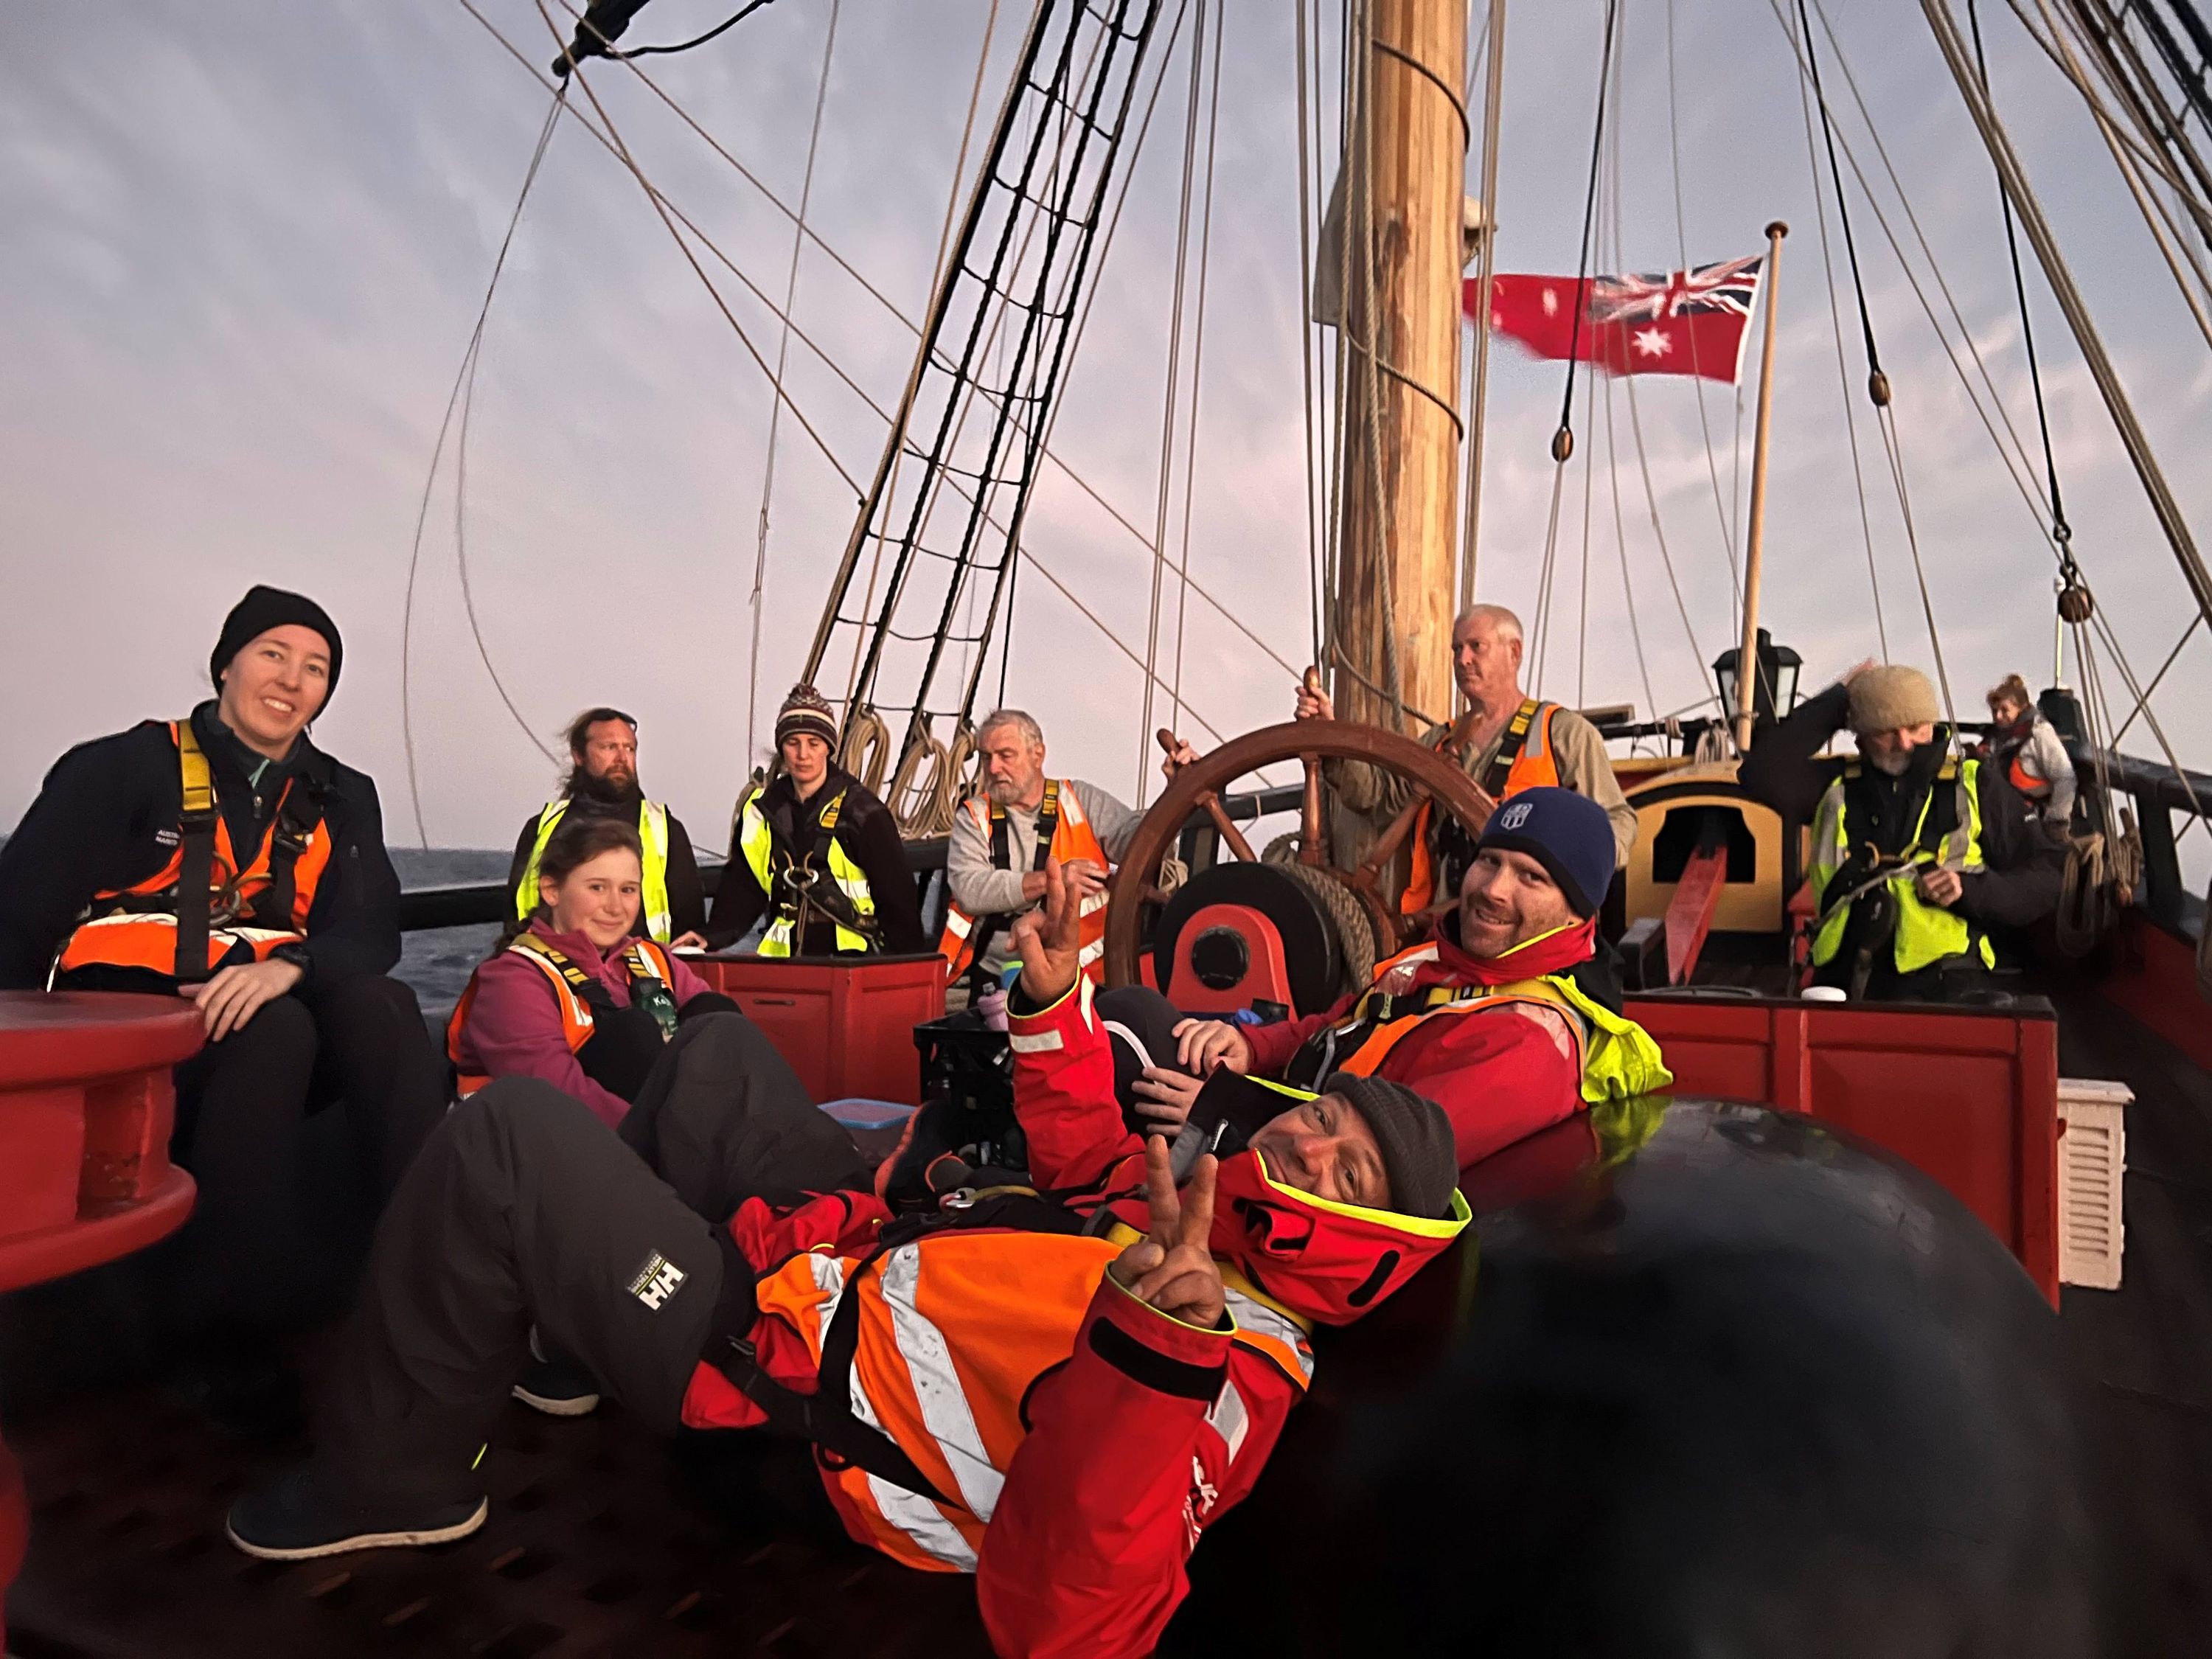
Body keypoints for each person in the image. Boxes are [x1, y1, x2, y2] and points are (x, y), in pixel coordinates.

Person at [224, 862, 1468, 1659]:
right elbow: (1088, 1165)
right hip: (848, 1255)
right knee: (716, 1050)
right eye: (1325, 1120)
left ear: (1371, 1250)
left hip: (787, 1399)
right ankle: (576, 1327)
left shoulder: (1224, 1363)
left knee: (507, 1134)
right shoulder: (1206, 1214)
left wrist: (1154, 1352)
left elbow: (1071, 1620)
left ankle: (393, 1481)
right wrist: (1052, 1008)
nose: (1311, 1147)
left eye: (1350, 1172)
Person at [0, 585, 447, 1405]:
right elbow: (16, 917)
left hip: (269, 1007)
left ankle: (438, 1279)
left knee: (383, 1011)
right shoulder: (122, 766)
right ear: (225, 666)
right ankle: (222, 1330)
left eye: (316, 668)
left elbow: (369, 929)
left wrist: (292, 968)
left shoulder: (341, 794)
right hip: (133, 1036)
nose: (292, 680)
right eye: (273, 654)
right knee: (277, 1036)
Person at [1103, 787, 1671, 1170]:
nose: (1494, 890)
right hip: (1283, 1119)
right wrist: (1252, 1047)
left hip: (1289, 1181)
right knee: (1139, 1015)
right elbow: (1340, 1025)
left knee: (1124, 1035)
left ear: (1576, 913)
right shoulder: (1436, 963)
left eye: (1531, 877)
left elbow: (1371, 1166)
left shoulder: (1526, 1042)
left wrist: (1221, 1116)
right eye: (1489, 861)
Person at [1739, 661, 2061, 1002]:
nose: (1904, 743)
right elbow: (1760, 773)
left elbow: (2047, 875)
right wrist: (1841, 698)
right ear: (1861, 736)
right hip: (1844, 981)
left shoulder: (1975, 784)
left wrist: (1969, 890)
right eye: (1886, 731)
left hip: (1949, 983)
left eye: (1916, 728)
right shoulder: (1834, 785)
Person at [1293, 605, 1638, 917]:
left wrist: (1562, 868)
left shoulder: (1563, 734)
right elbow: (1380, 796)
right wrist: (1330, 738)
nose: (1463, 659)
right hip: (1447, 929)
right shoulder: (1439, 742)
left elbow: (1618, 822)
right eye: (1457, 649)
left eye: (1476, 646)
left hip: (1529, 929)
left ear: (1514, 653)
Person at [452, 814, 746, 1127]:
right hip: (538, 1142)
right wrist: (679, 1136)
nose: (615, 907)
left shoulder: (651, 958)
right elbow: (554, 1096)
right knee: (633, 1033)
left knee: (718, 1016)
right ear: (551, 890)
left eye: (628, 890)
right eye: (597, 888)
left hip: (657, 1132)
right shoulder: (511, 982)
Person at [706, 684, 925, 957]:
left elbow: (898, 899)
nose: (803, 754)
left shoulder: (864, 813)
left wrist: (907, 965)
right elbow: (743, 886)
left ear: (828, 748)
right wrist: (710, 937)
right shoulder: (762, 811)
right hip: (784, 960)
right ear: (781, 747)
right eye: (793, 743)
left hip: (850, 959)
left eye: (813, 743)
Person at [939, 708, 1143, 992]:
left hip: (1089, 980)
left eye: (1005, 756)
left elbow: (1144, 846)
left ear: (1038, 755)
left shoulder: (1080, 801)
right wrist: (1053, 880)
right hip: (1001, 982)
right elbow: (969, 890)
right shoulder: (974, 816)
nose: (993, 768)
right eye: (986, 757)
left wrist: (1177, 790)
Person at [506, 707, 709, 947]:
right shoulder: (542, 827)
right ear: (579, 755)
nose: (622, 758)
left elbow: (690, 925)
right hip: (550, 964)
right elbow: (515, 912)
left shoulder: (665, 829)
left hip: (644, 966)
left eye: (629, 749)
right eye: (609, 747)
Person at [1984, 674, 2076, 839]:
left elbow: (2064, 777)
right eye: (1994, 711)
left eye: (2005, 710)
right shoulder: (1995, 740)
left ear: (2021, 708)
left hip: (2035, 824)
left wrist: (2056, 821)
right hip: (2002, 824)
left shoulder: (2039, 734)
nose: (1998, 716)